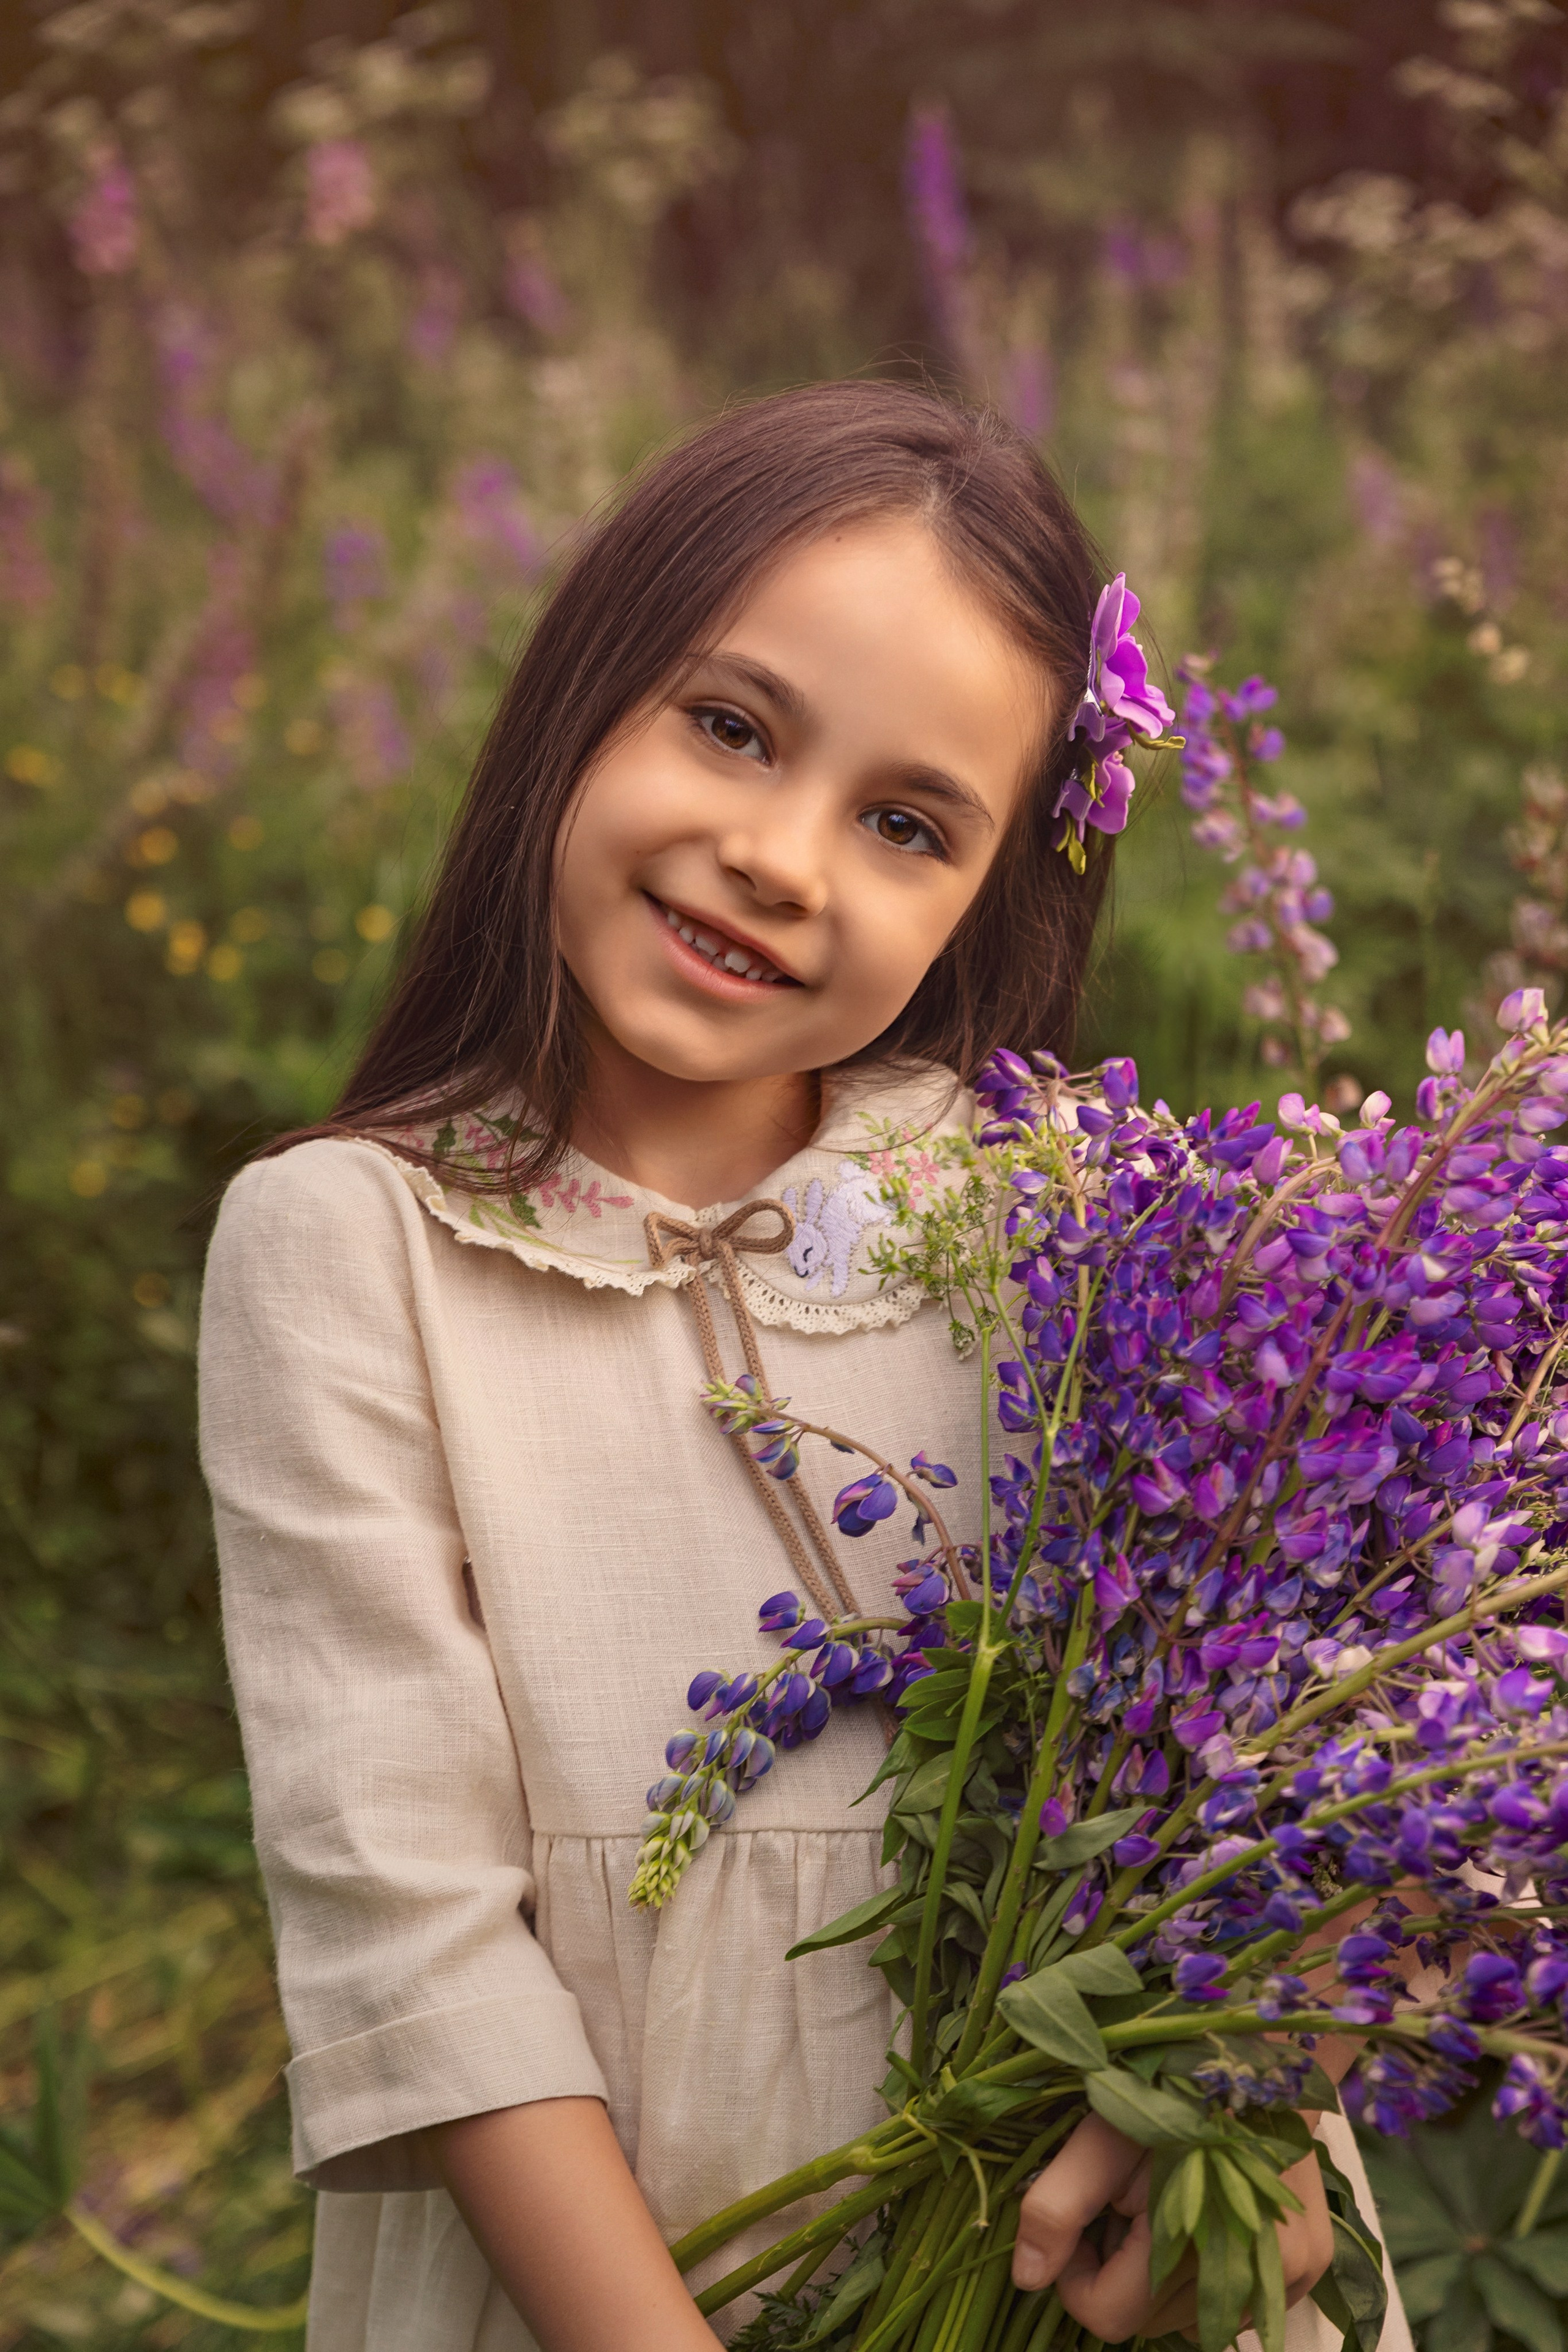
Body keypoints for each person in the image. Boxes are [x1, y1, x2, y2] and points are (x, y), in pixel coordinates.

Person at [198, 381, 1403, 2352]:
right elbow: (409, 1932)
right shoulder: (356, 1245)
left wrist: (1251, 2095)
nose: (779, 855)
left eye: (906, 823)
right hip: (609, 2276)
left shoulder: (1072, 1220)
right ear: (585, 688)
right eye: (733, 726)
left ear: (993, 892)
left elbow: (1303, 1741)